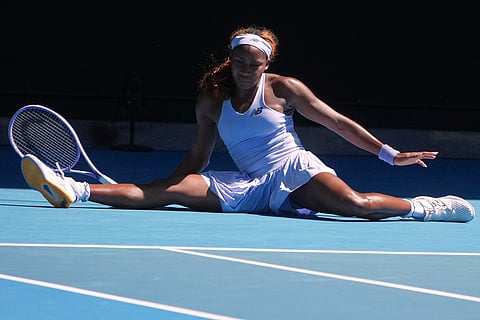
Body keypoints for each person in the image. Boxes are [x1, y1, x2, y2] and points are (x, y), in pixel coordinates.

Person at [20, 25, 475, 222]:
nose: (244, 69)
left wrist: (389, 154)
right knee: (172, 192)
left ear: (266, 65)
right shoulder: (211, 99)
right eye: (239, 61)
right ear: (230, 59)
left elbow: (335, 122)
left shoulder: (285, 89)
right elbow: (198, 157)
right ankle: (71, 188)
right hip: (247, 181)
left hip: (293, 168)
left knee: (357, 206)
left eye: (253, 64)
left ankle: (423, 207)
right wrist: (166, 184)